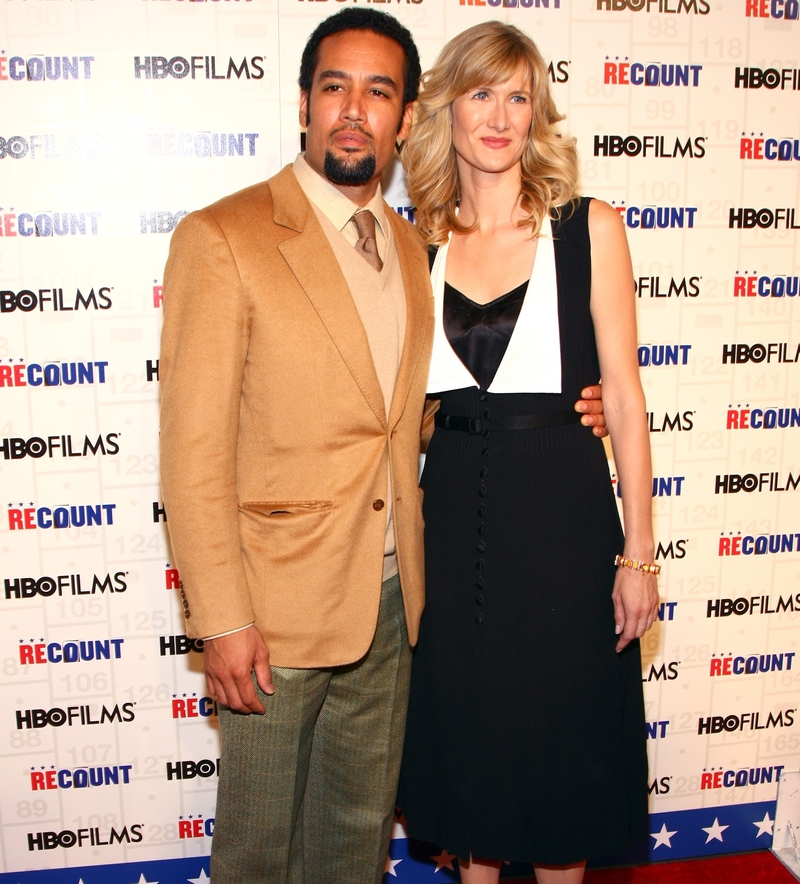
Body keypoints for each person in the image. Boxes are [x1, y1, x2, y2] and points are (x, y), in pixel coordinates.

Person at [159, 10, 608, 883]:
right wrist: (223, 620)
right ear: (302, 105)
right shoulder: (225, 237)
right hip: (274, 617)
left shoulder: (416, 247)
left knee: (355, 843)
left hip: (398, 606)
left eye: (379, 91)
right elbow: (191, 451)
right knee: (256, 852)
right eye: (335, 88)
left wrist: (568, 410)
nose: (355, 111)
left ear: (407, 121)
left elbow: (416, 414)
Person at [398, 22, 658, 884]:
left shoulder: (589, 229)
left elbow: (621, 396)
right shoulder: (418, 246)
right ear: (448, 108)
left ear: (537, 111)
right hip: (455, 525)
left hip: (563, 518)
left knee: (558, 775)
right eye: (482, 94)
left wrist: (640, 554)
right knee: (472, 770)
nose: (501, 116)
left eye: (520, 96)